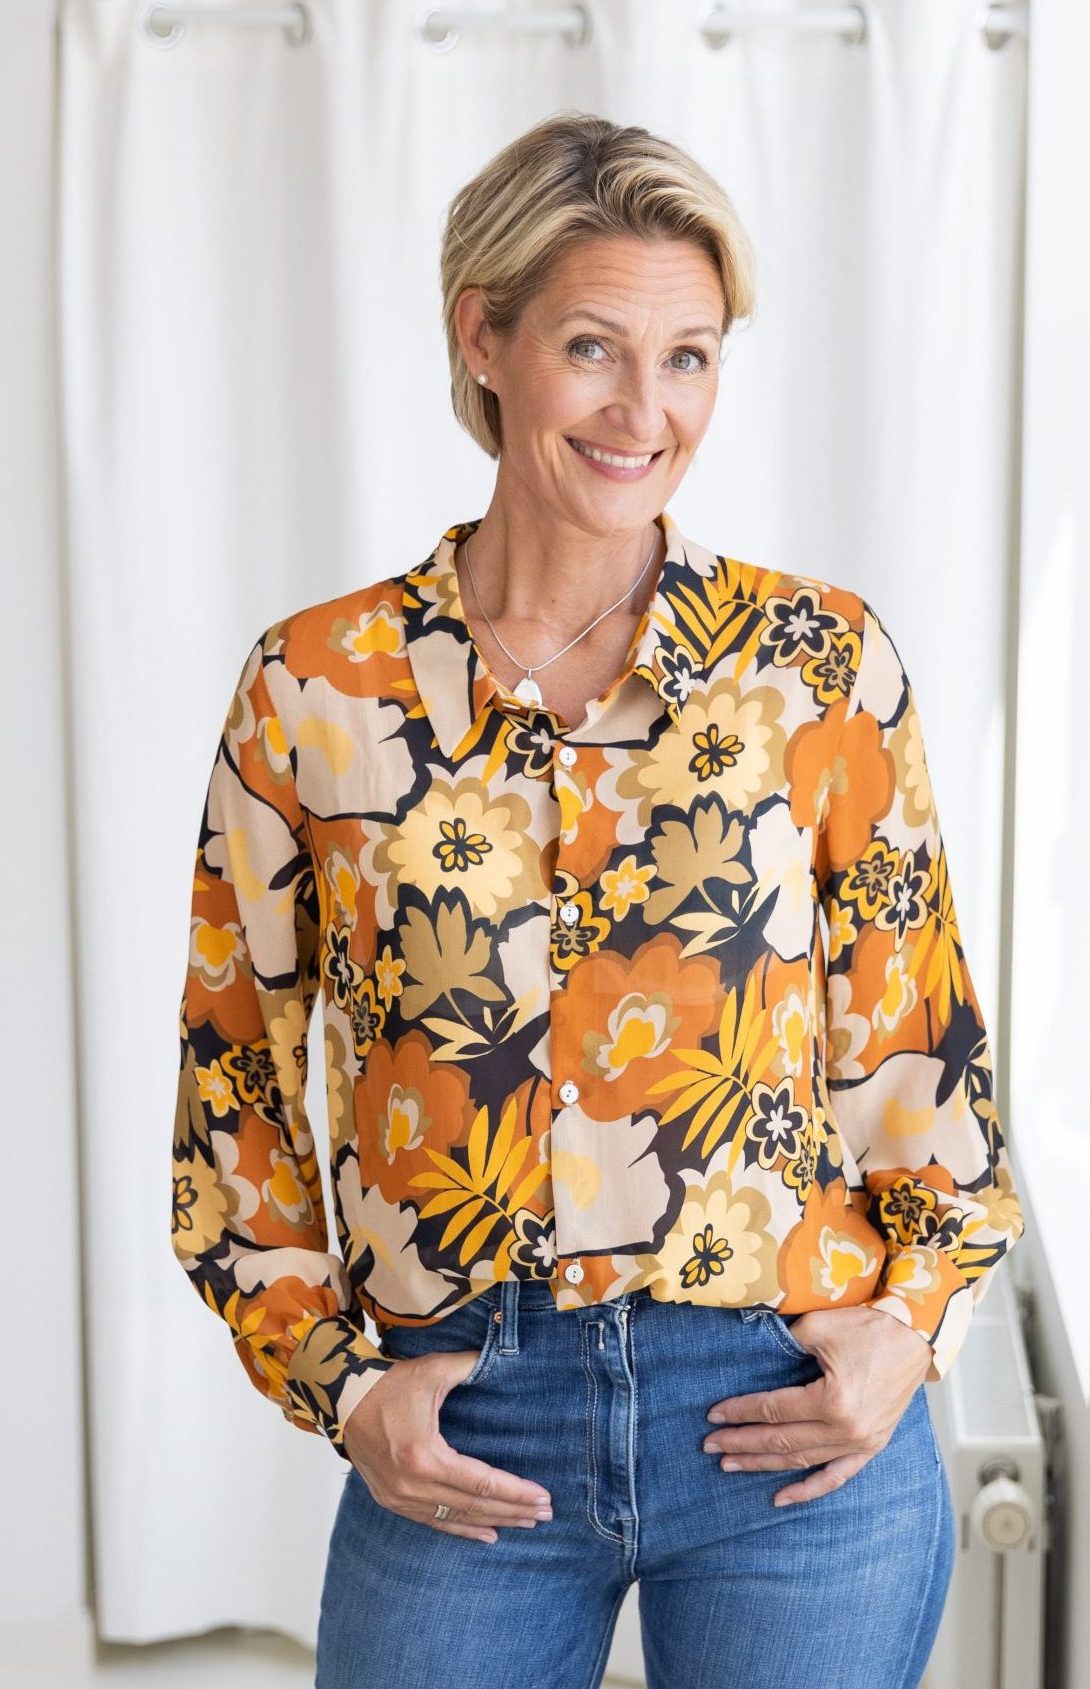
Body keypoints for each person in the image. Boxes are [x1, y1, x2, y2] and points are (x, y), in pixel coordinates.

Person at [170, 110, 1024, 1689]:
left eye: (689, 356)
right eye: (592, 348)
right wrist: (339, 1382)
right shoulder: (315, 689)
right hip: (468, 1415)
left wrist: (912, 1326)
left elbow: (922, 1056)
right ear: (481, 339)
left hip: (788, 1409)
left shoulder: (819, 667)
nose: (648, 411)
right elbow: (236, 1090)